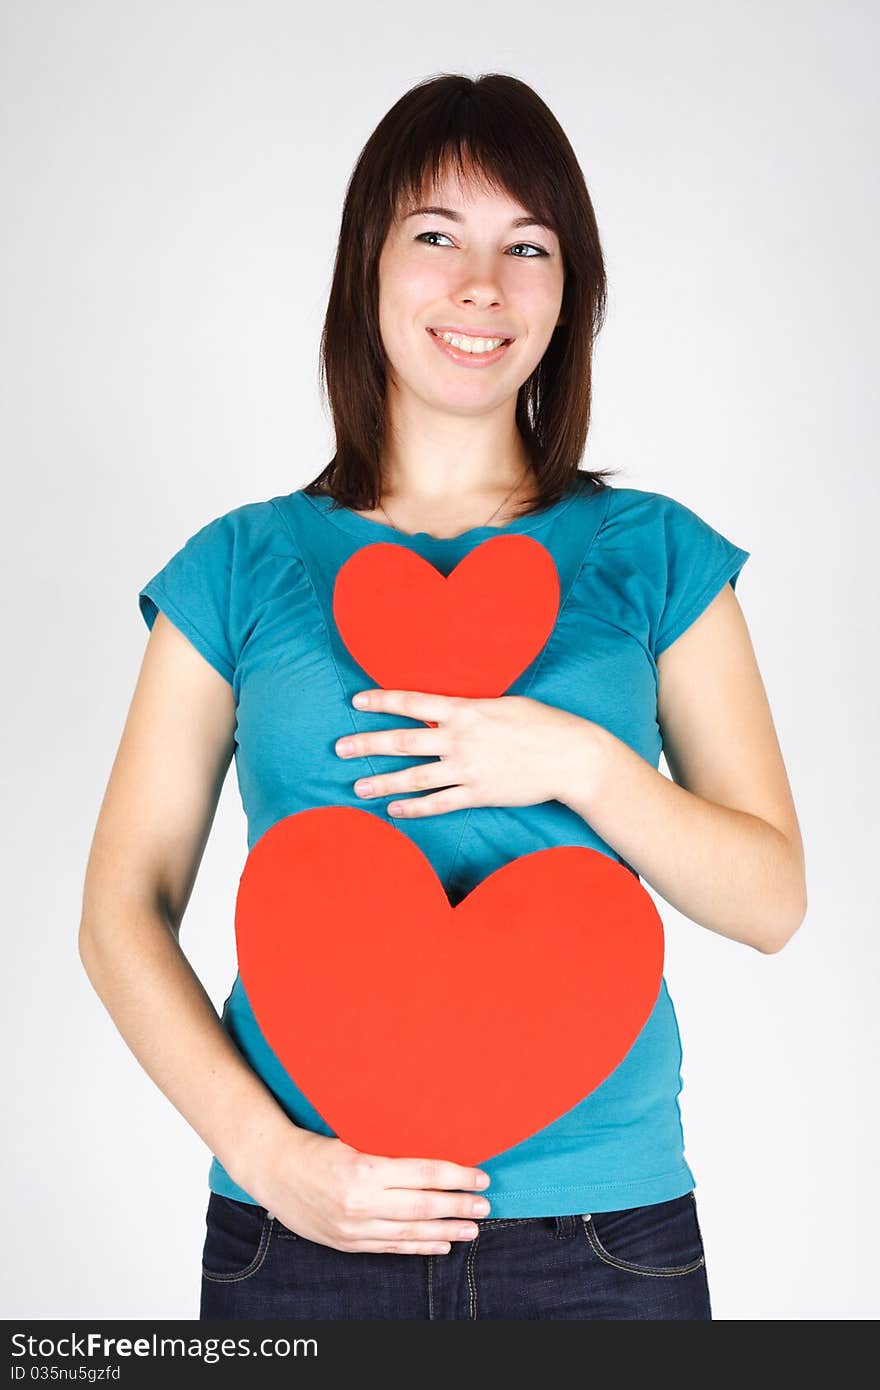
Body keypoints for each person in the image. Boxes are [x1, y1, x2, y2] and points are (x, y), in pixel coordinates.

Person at [79, 72, 806, 1321]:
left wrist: (579, 762)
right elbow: (119, 911)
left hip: (601, 1242)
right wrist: (275, 1162)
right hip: (303, 1233)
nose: (482, 286)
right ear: (367, 263)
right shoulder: (244, 562)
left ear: (570, 291)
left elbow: (770, 900)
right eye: (437, 236)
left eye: (528, 246)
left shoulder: (655, 553)